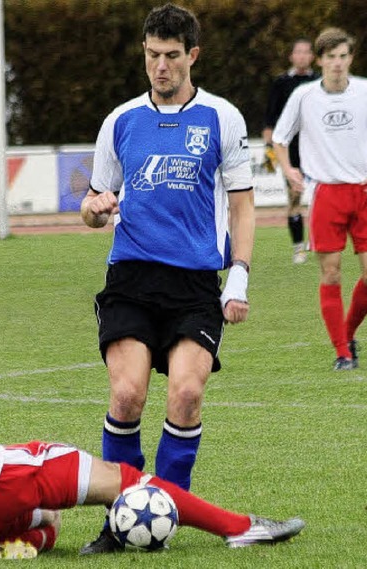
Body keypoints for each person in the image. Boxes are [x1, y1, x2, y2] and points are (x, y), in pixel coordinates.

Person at [0, 300, 304, 563]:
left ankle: (2, 544)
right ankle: (242, 529)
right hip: (0, 480)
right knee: (128, 479)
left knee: (49, 526)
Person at [79, 3, 254, 553]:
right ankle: (118, 519)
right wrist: (97, 208)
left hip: (196, 283)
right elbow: (89, 205)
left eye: (172, 56)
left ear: (192, 56)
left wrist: (239, 276)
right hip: (131, 276)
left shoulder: (222, 118)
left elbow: (244, 208)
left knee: (185, 394)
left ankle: (166, 512)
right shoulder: (121, 120)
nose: (160, 66)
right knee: (127, 393)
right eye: (152, 55)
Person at [273, 28, 367, 371]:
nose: (337, 63)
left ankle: (348, 332)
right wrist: (289, 170)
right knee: (331, 274)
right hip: (327, 194)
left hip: (365, 192)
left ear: (350, 58)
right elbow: (280, 139)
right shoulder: (304, 95)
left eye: (343, 56)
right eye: (330, 57)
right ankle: (342, 353)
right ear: (320, 60)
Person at [262, 38, 319, 264]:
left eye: (307, 52)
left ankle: (317, 241)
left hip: (317, 148)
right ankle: (298, 249)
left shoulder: (320, 81)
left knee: (321, 197)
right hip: (290, 150)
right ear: (292, 57)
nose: (303, 56)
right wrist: (270, 151)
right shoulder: (282, 83)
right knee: (295, 196)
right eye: (299, 52)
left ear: (313, 57)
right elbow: (270, 118)